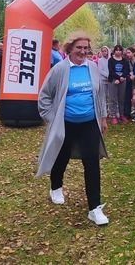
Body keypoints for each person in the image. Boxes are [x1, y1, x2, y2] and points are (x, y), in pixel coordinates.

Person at [36, 31, 110, 226]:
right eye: (79, 47)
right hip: (65, 123)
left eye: (86, 48)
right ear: (69, 48)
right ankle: (56, 186)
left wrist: (103, 118)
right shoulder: (60, 69)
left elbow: (100, 94)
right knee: (61, 157)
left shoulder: (92, 67)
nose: (83, 51)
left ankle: (94, 208)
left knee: (92, 163)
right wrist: (52, 119)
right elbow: (44, 97)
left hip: (89, 123)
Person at [108, 45, 130, 124]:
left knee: (121, 99)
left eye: (120, 50)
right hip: (113, 80)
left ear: (122, 51)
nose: (118, 51)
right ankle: (113, 115)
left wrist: (122, 77)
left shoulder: (125, 60)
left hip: (122, 80)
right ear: (114, 51)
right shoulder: (111, 60)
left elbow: (126, 70)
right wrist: (117, 78)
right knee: (113, 99)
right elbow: (111, 71)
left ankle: (121, 115)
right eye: (116, 50)